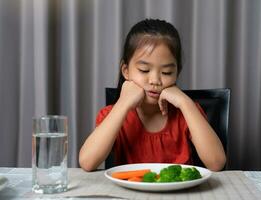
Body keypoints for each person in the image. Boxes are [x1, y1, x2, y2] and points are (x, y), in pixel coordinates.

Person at [79, 19, 226, 172]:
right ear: (126, 71)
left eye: (166, 72)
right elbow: (87, 162)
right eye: (144, 70)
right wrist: (122, 104)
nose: (155, 80)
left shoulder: (186, 112)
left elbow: (216, 163)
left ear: (177, 73)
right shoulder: (112, 114)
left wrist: (185, 102)